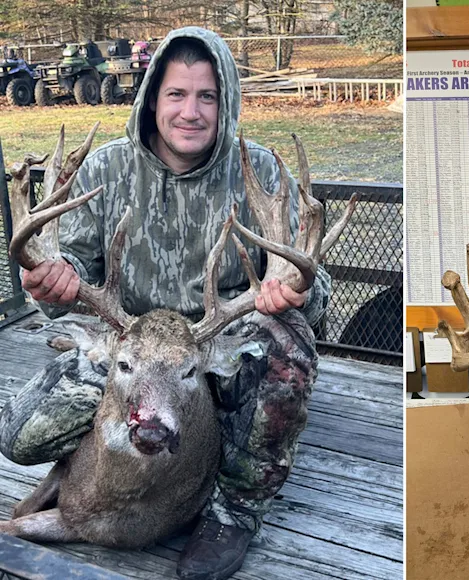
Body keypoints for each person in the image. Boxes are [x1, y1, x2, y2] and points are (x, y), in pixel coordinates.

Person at [0, 27, 332, 580]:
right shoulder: (106, 169)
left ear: (226, 101)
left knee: (287, 358)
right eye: (177, 94)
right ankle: (115, 459)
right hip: (129, 348)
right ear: (152, 97)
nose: (191, 112)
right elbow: (74, 267)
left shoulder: (260, 173)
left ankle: (233, 510)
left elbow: (312, 291)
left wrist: (292, 288)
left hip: (219, 342)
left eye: (208, 96)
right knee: (20, 434)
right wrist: (56, 281)